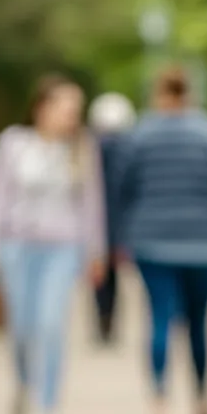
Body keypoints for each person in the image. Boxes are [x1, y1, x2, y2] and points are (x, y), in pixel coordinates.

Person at [117, 66, 207, 414]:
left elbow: (123, 190)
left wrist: (119, 238)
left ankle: (159, 403)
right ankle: (202, 400)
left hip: (152, 243)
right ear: (190, 93)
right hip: (206, 246)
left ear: (157, 93)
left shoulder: (140, 135)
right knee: (199, 323)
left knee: (160, 318)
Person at [0, 74, 106, 414]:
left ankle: (48, 403)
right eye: (66, 108)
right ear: (41, 107)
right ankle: (22, 382)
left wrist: (96, 251)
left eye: (76, 109)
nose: (72, 116)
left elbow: (92, 203)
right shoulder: (13, 144)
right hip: (16, 246)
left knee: (50, 323)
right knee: (20, 325)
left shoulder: (82, 147)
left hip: (63, 246)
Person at [87, 91, 138, 344]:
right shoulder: (127, 150)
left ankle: (103, 319)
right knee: (110, 277)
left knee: (99, 277)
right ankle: (108, 321)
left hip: (99, 222)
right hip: (114, 223)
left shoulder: (91, 147)